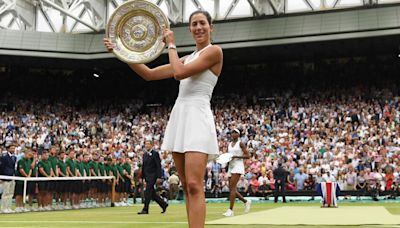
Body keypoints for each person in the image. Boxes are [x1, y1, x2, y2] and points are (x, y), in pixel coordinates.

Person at [104, 10, 223, 227]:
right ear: (190, 28)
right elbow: (148, 74)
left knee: (196, 185)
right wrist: (120, 52)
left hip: (198, 117)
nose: (198, 28)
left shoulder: (214, 51)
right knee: (187, 185)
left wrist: (171, 44)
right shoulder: (187, 58)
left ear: (210, 27)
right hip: (180, 117)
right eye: (194, 24)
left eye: (202, 23)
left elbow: (178, 73)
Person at [223, 129, 251, 217]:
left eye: (235, 132)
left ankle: (230, 210)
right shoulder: (229, 145)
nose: (233, 134)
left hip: (238, 166)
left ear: (238, 135)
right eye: (232, 132)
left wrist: (236, 156)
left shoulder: (240, 143)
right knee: (232, 189)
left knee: (232, 188)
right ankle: (246, 201)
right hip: (231, 166)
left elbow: (247, 155)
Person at [137, 140, 168, 214]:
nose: (147, 145)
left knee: (147, 192)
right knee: (152, 194)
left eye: (148, 144)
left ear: (151, 145)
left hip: (153, 176)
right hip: (147, 176)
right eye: (146, 144)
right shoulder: (145, 155)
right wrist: (142, 177)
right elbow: (144, 167)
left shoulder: (155, 153)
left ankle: (145, 209)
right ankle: (163, 204)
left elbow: (158, 166)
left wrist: (159, 177)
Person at [0, 144, 17, 213]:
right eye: (12, 148)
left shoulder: (14, 157)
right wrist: (1, 177)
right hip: (5, 177)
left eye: (14, 148)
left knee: (11, 193)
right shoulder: (4, 157)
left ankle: (8, 207)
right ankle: (4, 208)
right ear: (8, 149)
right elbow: (1, 167)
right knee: (5, 193)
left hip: (12, 176)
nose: (13, 149)